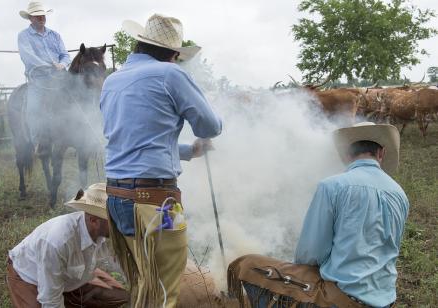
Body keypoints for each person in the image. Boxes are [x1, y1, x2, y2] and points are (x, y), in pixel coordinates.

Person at [100, 13, 222, 307]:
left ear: (140, 45)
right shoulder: (172, 75)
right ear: (173, 54)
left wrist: (188, 152)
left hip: (116, 197)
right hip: (154, 201)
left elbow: (132, 137)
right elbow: (210, 127)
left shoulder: (111, 81)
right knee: (165, 290)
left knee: (145, 282)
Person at [228, 122, 409, 308]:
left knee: (248, 266)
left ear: (347, 156)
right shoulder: (400, 194)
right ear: (381, 153)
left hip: (343, 298)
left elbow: (309, 254)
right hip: (386, 299)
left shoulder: (332, 186)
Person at [6, 183, 129, 308]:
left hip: (73, 276)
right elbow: (50, 300)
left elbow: (121, 262)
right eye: (113, 220)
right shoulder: (58, 241)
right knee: (51, 298)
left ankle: (71, 296)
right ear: (94, 221)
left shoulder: (104, 232)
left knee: (120, 296)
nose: (119, 225)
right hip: (30, 277)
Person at [18, 2, 71, 148]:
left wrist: (63, 64)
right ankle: (35, 142)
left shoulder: (55, 35)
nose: (41, 17)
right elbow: (28, 56)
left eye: (43, 15)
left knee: (77, 97)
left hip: (59, 77)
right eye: (37, 16)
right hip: (38, 80)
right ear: (30, 18)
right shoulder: (23, 36)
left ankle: (76, 135)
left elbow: (65, 55)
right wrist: (49, 66)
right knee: (33, 109)